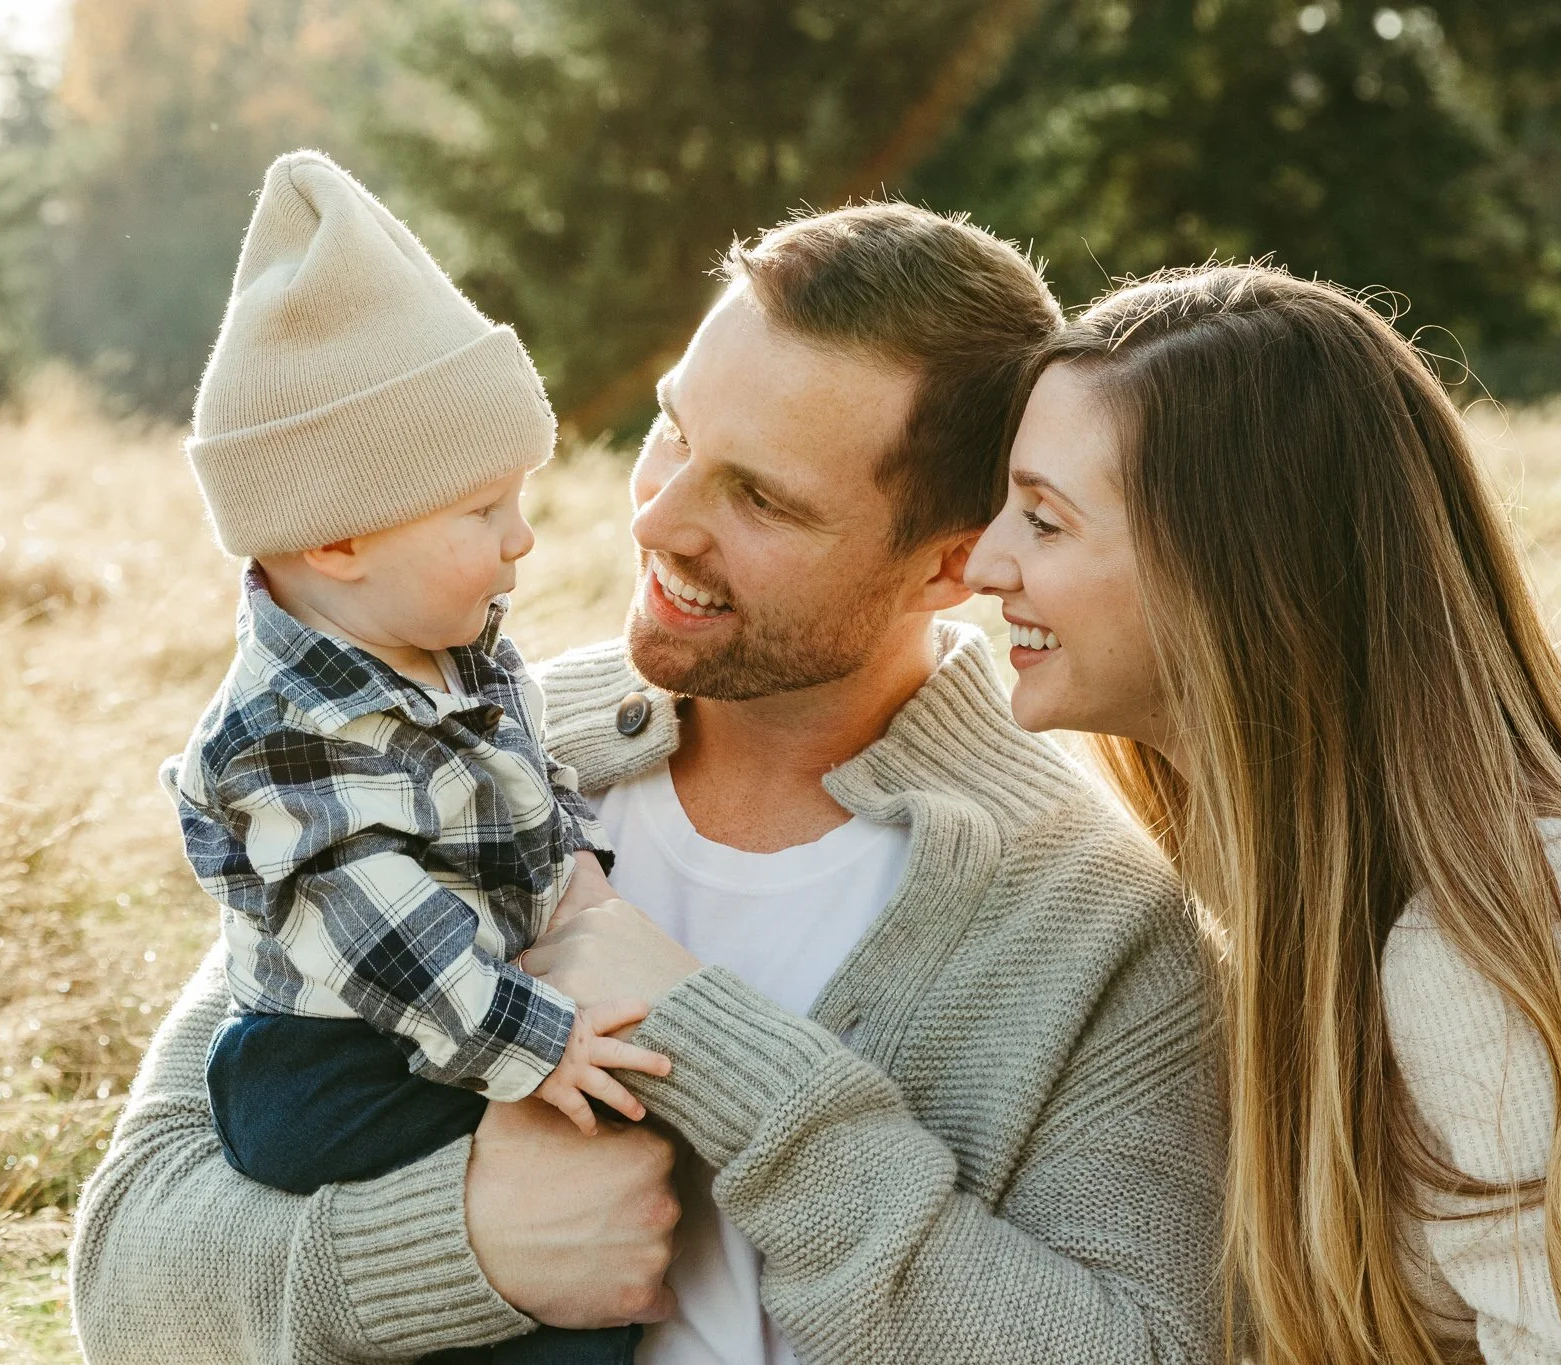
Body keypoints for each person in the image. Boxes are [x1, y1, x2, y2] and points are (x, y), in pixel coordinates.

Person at [69, 202, 1225, 1365]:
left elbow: (1140, 1348)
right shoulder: (452, 748)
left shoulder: (1096, 917)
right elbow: (125, 1274)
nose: (660, 519)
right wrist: (460, 1246)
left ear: (947, 561)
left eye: (762, 498)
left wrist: (729, 1059)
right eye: (672, 432)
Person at [963, 263, 1561, 1364]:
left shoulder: (1514, 935)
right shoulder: (1250, 896)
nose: (987, 561)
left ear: (1227, 577)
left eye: (1041, 520)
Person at [158, 149, 672, 1365]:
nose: (523, 538)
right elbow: (393, 938)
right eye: (481, 511)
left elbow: (524, 780)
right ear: (336, 536)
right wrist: (537, 1044)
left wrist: (579, 880)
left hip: (459, 1019)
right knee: (552, 1245)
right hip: (325, 1064)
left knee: (586, 1222)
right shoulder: (284, 741)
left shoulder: (454, 645)